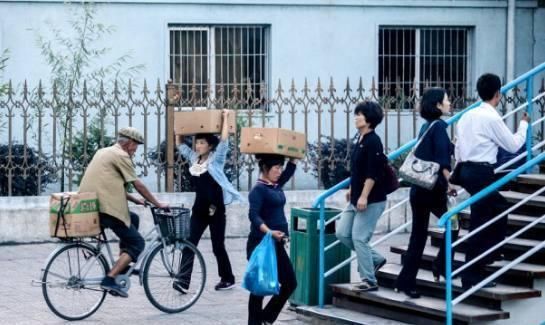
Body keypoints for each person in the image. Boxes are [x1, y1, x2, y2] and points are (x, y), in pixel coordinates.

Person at [455, 73, 529, 289]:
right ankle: (475, 270)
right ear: (498, 94)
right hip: (481, 172)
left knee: (489, 213)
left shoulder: (467, 116)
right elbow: (514, 145)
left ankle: (485, 260)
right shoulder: (491, 117)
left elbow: (458, 147)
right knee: (487, 217)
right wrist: (523, 124)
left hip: (466, 171)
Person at [79, 127, 169, 298]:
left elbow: (108, 184)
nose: (136, 150)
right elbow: (137, 184)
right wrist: (157, 203)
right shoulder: (121, 155)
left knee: (132, 218)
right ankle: (110, 279)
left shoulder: (104, 152)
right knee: (138, 244)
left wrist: (135, 200)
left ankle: (123, 264)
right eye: (136, 146)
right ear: (129, 143)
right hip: (106, 209)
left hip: (90, 204)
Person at [394, 88, 458, 298]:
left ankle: (405, 282)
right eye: (447, 100)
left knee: (418, 237)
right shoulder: (440, 127)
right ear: (438, 105)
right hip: (433, 190)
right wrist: (451, 183)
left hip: (418, 189)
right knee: (454, 224)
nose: (449, 103)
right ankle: (441, 265)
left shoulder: (426, 126)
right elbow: (442, 162)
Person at [174, 109, 244, 293]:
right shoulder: (193, 158)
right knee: (189, 244)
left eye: (202, 142)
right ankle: (182, 281)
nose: (198, 145)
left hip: (216, 210)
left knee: (217, 246)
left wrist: (226, 117)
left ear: (209, 146)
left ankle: (227, 278)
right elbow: (179, 143)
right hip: (198, 210)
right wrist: (180, 124)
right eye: (197, 142)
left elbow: (224, 141)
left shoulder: (216, 160)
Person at [335, 100, 388, 292]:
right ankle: (375, 259)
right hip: (356, 197)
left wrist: (364, 196)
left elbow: (372, 173)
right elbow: (357, 170)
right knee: (342, 233)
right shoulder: (360, 139)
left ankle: (369, 280)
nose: (356, 117)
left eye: (361, 114)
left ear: (370, 119)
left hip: (371, 200)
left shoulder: (374, 141)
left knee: (359, 238)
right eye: (356, 113)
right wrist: (351, 188)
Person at [247, 154, 298, 325]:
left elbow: (289, 171)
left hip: (276, 244)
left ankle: (266, 318)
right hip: (260, 243)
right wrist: (269, 232)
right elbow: (253, 216)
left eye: (280, 167)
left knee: (290, 282)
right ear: (265, 169)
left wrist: (293, 158)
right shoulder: (258, 190)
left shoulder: (275, 185)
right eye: (276, 168)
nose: (279, 171)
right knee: (259, 288)